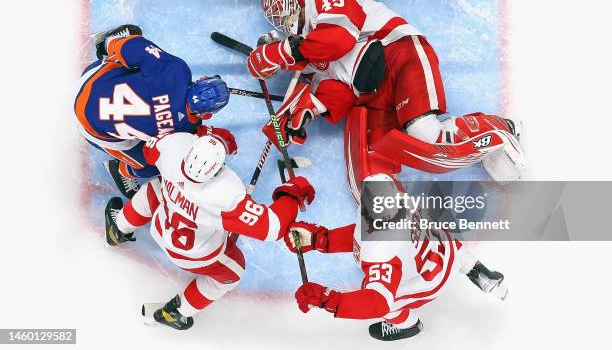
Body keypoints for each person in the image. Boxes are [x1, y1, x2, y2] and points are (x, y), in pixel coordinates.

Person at [246, 0, 526, 203]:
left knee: (429, 137)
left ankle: (498, 129)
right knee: (369, 184)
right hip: (373, 97)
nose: (283, 19)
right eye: (276, 17)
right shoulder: (308, 58)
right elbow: (339, 94)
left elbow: (338, 39)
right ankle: (405, 238)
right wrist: (304, 113)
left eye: (283, 9)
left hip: (399, 56)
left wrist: (282, 52)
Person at [104, 127, 315, 330]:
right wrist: (291, 196)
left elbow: (151, 151)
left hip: (161, 227)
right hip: (195, 256)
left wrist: (204, 136)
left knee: (156, 188)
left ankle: (118, 228)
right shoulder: (225, 196)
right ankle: (178, 312)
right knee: (233, 270)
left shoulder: (172, 149)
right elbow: (273, 228)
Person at [284, 174, 507, 342]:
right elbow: (361, 233)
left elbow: (377, 303)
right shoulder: (401, 201)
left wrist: (328, 300)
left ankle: (408, 325)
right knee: (447, 244)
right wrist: (321, 240)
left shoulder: (381, 252)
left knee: (386, 300)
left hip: (428, 279)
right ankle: (475, 270)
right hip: (444, 250)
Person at [74, 24, 230, 198]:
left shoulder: (176, 71)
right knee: (153, 165)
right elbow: (154, 154)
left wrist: (112, 44)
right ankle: (121, 171)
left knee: (135, 43)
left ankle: (104, 43)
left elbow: (134, 48)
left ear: (202, 79)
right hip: (90, 128)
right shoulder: (184, 132)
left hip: (87, 85)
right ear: (207, 115)